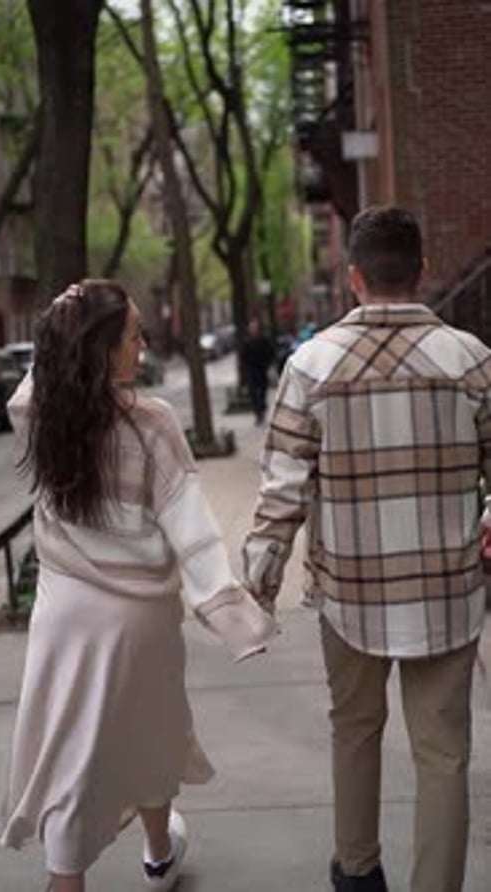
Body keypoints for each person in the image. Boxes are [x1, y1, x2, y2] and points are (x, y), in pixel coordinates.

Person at [241, 207, 491, 892]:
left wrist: (255, 592)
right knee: (443, 754)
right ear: (423, 273)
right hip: (449, 592)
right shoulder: (473, 363)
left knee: (353, 730)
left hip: (349, 594)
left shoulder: (311, 367)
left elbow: (281, 491)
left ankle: (357, 870)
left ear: (353, 277)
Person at [0, 279, 275, 892]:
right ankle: (144, 857)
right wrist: (232, 612)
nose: (143, 347)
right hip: (140, 619)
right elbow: (193, 530)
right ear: (100, 349)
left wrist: (63, 312)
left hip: (65, 612)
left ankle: (97, 867)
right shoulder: (152, 423)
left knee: (75, 747)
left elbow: (30, 385)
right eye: (132, 336)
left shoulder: (44, 418)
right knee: (152, 729)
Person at [241, 317, 275, 425]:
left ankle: (262, 409)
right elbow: (243, 356)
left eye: (254, 328)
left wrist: (267, 364)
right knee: (253, 393)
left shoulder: (264, 340)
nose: (253, 330)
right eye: (251, 328)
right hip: (252, 371)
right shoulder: (247, 341)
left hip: (262, 370)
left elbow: (271, 353)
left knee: (262, 392)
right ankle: (258, 413)